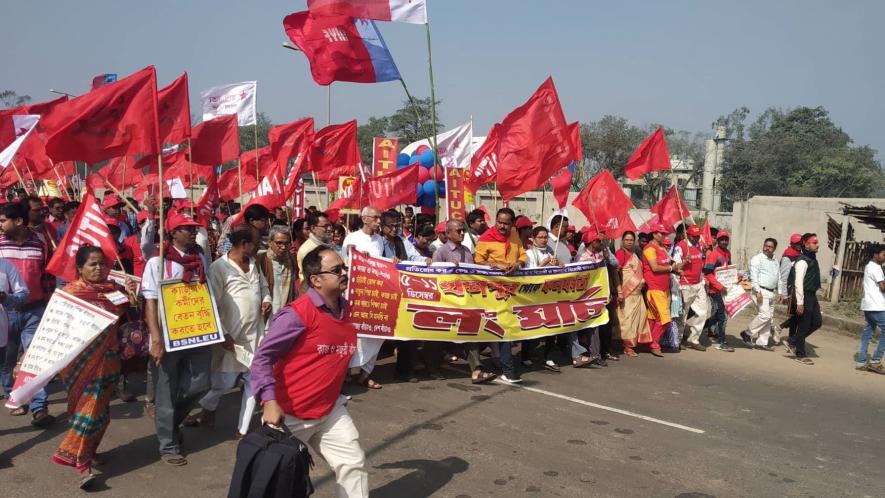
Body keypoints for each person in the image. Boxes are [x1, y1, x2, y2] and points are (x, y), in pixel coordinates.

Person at [252, 246, 368, 498]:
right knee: (281, 484)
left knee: (353, 464)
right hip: (289, 415)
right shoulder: (297, 314)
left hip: (330, 410)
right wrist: (268, 400)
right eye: (337, 270)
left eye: (344, 268)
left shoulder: (347, 310)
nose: (344, 273)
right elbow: (262, 358)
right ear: (316, 280)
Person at [53, 246, 137, 489]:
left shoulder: (113, 290)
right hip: (81, 362)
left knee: (101, 413)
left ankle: (91, 450)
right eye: (92, 264)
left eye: (102, 263)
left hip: (110, 360)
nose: (99, 268)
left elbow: (129, 316)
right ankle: (82, 464)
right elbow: (54, 326)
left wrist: (131, 297)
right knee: (87, 414)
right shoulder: (70, 293)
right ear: (79, 269)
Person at [184, 227, 271, 437]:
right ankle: (206, 409)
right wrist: (222, 333)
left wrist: (266, 301)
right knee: (223, 383)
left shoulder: (254, 265)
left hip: (256, 336)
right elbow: (211, 303)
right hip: (230, 338)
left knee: (253, 382)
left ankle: (243, 428)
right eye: (256, 242)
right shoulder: (219, 268)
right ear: (244, 244)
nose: (259, 246)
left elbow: (265, 288)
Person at [142, 211, 212, 465]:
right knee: (166, 392)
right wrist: (156, 339)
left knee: (202, 383)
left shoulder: (200, 258)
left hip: (197, 333)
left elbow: (207, 292)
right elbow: (149, 302)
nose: (193, 232)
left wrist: (215, 328)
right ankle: (168, 445)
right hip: (167, 337)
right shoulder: (157, 262)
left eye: (194, 228)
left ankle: (169, 422)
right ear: (173, 233)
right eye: (186, 228)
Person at [0, 202, 55, 427]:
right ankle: (12, 395)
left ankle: (39, 407)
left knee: (34, 359)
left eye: (3, 220)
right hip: (5, 314)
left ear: (19, 221)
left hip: (35, 309)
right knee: (8, 359)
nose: (0, 224)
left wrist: (51, 301)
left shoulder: (41, 242)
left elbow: (48, 275)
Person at [432, 219, 498, 384]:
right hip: (446, 303)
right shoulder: (441, 252)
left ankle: (476, 370)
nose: (462, 233)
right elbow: (433, 274)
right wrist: (446, 266)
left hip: (466, 301)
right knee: (436, 339)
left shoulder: (467, 251)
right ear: (448, 234)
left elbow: (473, 273)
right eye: (458, 231)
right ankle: (432, 367)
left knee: (470, 333)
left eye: (462, 230)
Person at [474, 208, 527, 384]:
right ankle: (507, 369)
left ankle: (505, 367)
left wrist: (517, 265)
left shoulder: (514, 235)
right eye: (499, 222)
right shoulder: (485, 238)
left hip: (512, 291)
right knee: (501, 328)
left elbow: (522, 255)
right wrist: (496, 265)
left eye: (506, 223)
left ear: (512, 224)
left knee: (506, 328)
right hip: (492, 292)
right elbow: (478, 261)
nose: (502, 226)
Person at [379, 210, 431, 382]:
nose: (395, 229)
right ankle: (363, 372)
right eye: (391, 226)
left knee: (406, 333)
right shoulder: (377, 242)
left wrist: (425, 261)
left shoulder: (402, 241)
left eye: (397, 226)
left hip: (402, 293)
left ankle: (405, 371)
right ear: (382, 226)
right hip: (380, 295)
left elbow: (414, 256)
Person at [342, 207, 385, 390]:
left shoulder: (380, 240)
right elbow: (344, 262)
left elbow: (383, 263)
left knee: (376, 331)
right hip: (356, 293)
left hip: (376, 293)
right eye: (375, 218)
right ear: (365, 219)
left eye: (379, 218)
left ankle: (365, 373)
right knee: (354, 333)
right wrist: (356, 256)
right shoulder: (352, 238)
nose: (378, 221)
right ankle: (344, 373)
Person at [577, 227, 622, 364]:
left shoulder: (602, 254)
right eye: (598, 241)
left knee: (604, 324)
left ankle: (602, 351)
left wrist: (605, 259)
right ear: (592, 242)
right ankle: (594, 353)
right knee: (593, 327)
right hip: (589, 296)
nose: (602, 243)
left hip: (603, 294)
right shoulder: (583, 257)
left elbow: (615, 265)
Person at [523, 225, 562, 372]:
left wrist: (558, 264)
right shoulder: (528, 254)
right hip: (533, 297)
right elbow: (527, 276)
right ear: (533, 239)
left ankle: (549, 357)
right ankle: (525, 355)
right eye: (540, 237)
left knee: (551, 327)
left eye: (546, 237)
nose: (544, 240)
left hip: (549, 295)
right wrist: (543, 264)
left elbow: (561, 270)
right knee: (531, 327)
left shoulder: (551, 251)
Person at [642, 224, 683, 357]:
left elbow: (672, 265)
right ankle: (654, 343)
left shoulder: (662, 248)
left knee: (654, 318)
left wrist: (681, 265)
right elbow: (654, 268)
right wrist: (672, 269)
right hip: (655, 289)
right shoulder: (649, 249)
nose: (663, 236)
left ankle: (648, 341)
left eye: (664, 233)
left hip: (664, 289)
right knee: (665, 319)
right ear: (654, 234)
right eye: (661, 233)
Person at [786, 233, 823, 365]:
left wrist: (816, 301)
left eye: (817, 242)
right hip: (804, 295)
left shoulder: (812, 259)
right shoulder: (802, 261)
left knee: (817, 322)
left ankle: (793, 340)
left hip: (811, 295)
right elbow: (798, 283)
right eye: (814, 242)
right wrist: (800, 303)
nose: (817, 245)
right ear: (806, 244)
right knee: (804, 324)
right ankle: (800, 353)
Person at [614, 231, 652, 357]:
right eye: (627, 240)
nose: (629, 242)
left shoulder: (635, 254)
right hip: (627, 293)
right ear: (622, 241)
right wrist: (619, 290)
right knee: (627, 321)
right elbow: (616, 273)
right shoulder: (620, 254)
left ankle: (634, 343)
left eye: (631, 240)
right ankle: (627, 347)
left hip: (637, 294)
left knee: (638, 320)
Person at [673, 224, 709, 351]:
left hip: (698, 284)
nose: (695, 239)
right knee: (683, 314)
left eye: (697, 236)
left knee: (703, 311)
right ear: (687, 235)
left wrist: (703, 253)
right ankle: (676, 339)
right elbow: (675, 266)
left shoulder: (699, 245)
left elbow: (700, 263)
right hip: (685, 284)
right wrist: (684, 262)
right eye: (693, 236)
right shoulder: (680, 247)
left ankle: (693, 339)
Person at [741, 238, 781, 351]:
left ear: (774, 249)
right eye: (766, 245)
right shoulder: (757, 259)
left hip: (772, 292)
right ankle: (747, 333)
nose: (767, 248)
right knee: (765, 315)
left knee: (768, 318)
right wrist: (757, 291)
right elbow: (753, 277)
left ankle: (762, 342)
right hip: (760, 291)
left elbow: (779, 277)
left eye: (770, 246)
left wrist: (781, 292)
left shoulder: (775, 260)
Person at [703, 230, 735, 352]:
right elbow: (708, 273)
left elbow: (729, 271)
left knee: (718, 316)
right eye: (722, 239)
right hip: (715, 290)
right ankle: (722, 342)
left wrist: (737, 277)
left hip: (725, 289)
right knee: (722, 316)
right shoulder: (714, 254)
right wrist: (719, 286)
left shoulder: (728, 253)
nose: (724, 242)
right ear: (718, 240)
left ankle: (702, 327)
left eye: (726, 239)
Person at [855, 244, 885, 373]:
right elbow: (883, 287)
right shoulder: (876, 267)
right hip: (877, 305)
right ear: (875, 255)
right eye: (884, 255)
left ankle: (861, 362)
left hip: (869, 305)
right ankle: (875, 361)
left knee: (867, 332)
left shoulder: (869, 266)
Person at [257, 225, 298, 316]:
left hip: (286, 313)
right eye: (279, 243)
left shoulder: (292, 259)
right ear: (270, 242)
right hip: (267, 314)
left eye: (286, 243)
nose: (283, 247)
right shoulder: (261, 260)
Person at [296, 211, 333, 284]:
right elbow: (307, 279)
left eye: (330, 225)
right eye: (325, 226)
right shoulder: (307, 250)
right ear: (313, 228)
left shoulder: (328, 245)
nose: (329, 229)